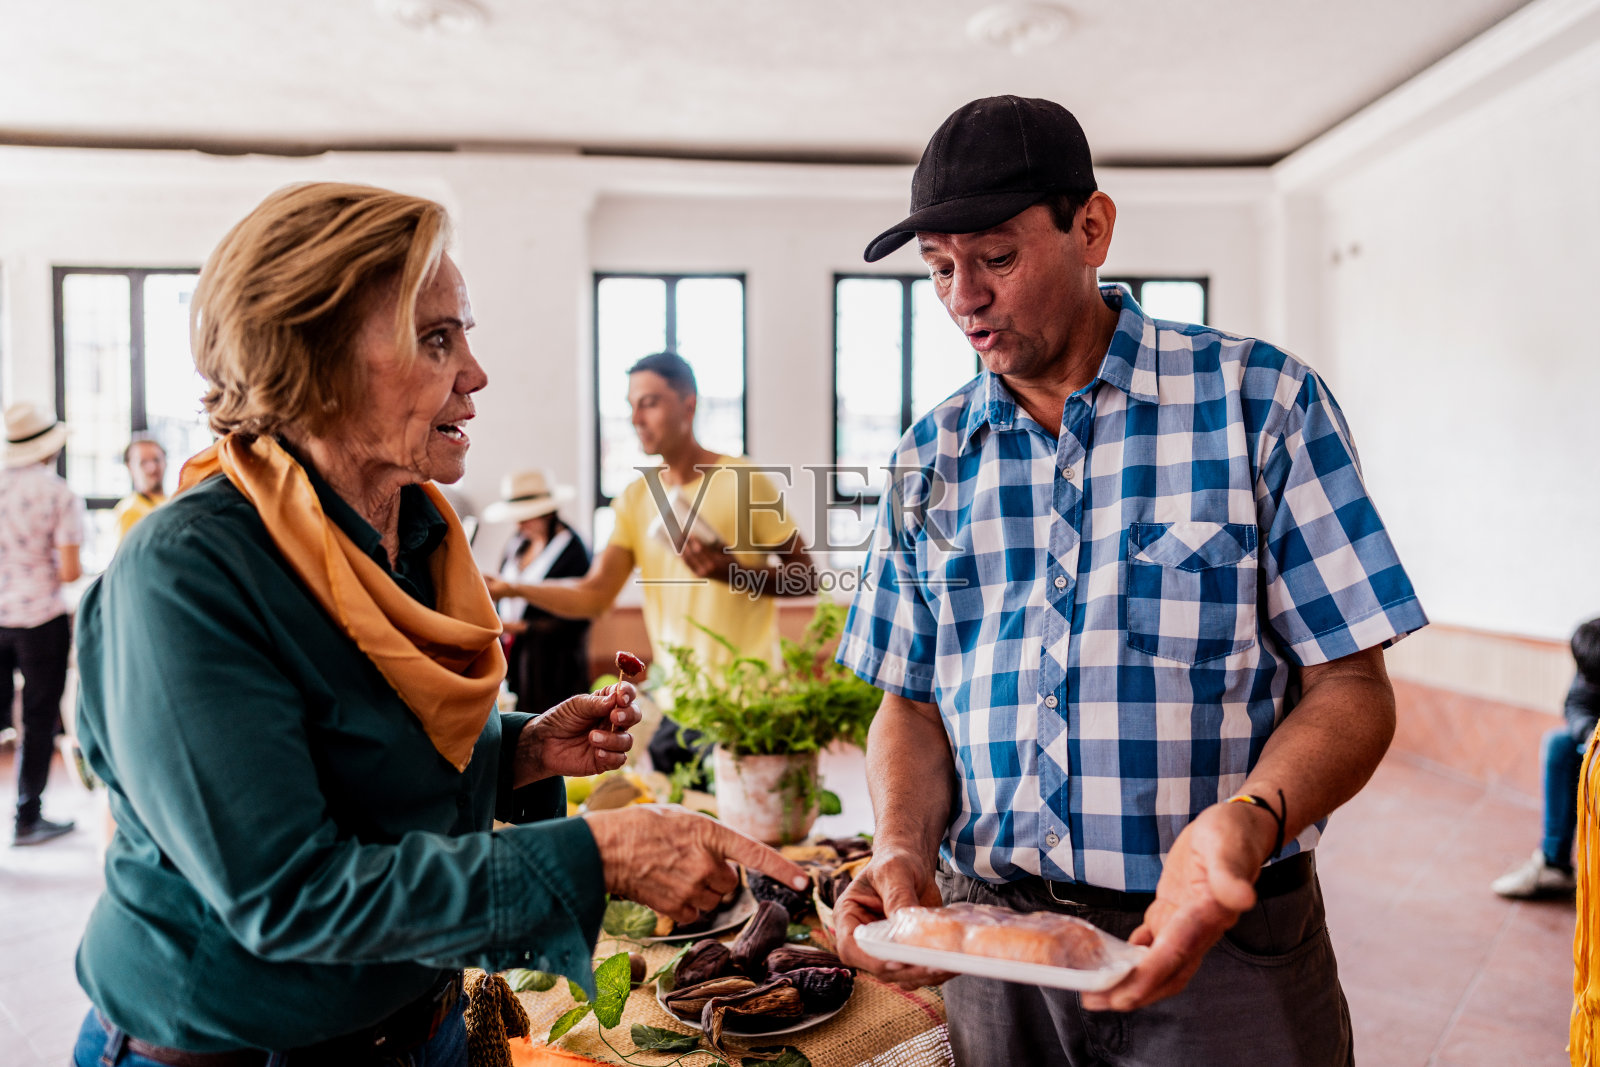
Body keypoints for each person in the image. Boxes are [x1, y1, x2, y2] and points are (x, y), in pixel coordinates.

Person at [69, 182, 811, 1066]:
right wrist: (595, 854)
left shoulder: (418, 534)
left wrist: (518, 750)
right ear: (318, 361)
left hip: (422, 1022)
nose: (476, 371)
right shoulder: (188, 570)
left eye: (465, 332)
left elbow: (365, 756)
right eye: (436, 338)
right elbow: (290, 894)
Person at [831, 96, 1429, 1066]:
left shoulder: (1260, 404)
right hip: (997, 951)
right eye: (939, 267)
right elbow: (909, 702)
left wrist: (1248, 819)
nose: (961, 297)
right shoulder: (928, 456)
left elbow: (1351, 686)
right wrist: (900, 846)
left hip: (1222, 943)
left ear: (1092, 228)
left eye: (994, 257)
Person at [489, 351, 816, 772]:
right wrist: (511, 587)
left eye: (650, 403)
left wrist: (728, 571)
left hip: (748, 705)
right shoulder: (635, 499)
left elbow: (805, 577)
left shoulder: (743, 479)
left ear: (688, 404)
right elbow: (594, 595)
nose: (636, 418)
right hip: (677, 704)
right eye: (631, 406)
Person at [1, 401, 84, 847]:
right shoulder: (60, 494)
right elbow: (70, 572)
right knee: (36, 719)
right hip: (40, 621)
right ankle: (27, 819)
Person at [1492, 617, 1600, 898]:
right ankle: (1555, 864)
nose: (1587, 683)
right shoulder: (1594, 650)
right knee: (1560, 745)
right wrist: (1591, 736)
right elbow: (1577, 703)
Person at [483, 469, 591, 714]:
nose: (520, 523)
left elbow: (578, 618)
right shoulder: (517, 542)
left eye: (527, 517)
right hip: (514, 660)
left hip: (554, 667)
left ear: (548, 511)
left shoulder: (573, 551)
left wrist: (517, 627)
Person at [110, 435, 168, 542]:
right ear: (130, 467)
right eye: (143, 462)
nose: (152, 468)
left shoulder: (174, 500)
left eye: (156, 460)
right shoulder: (130, 511)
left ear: (165, 461)